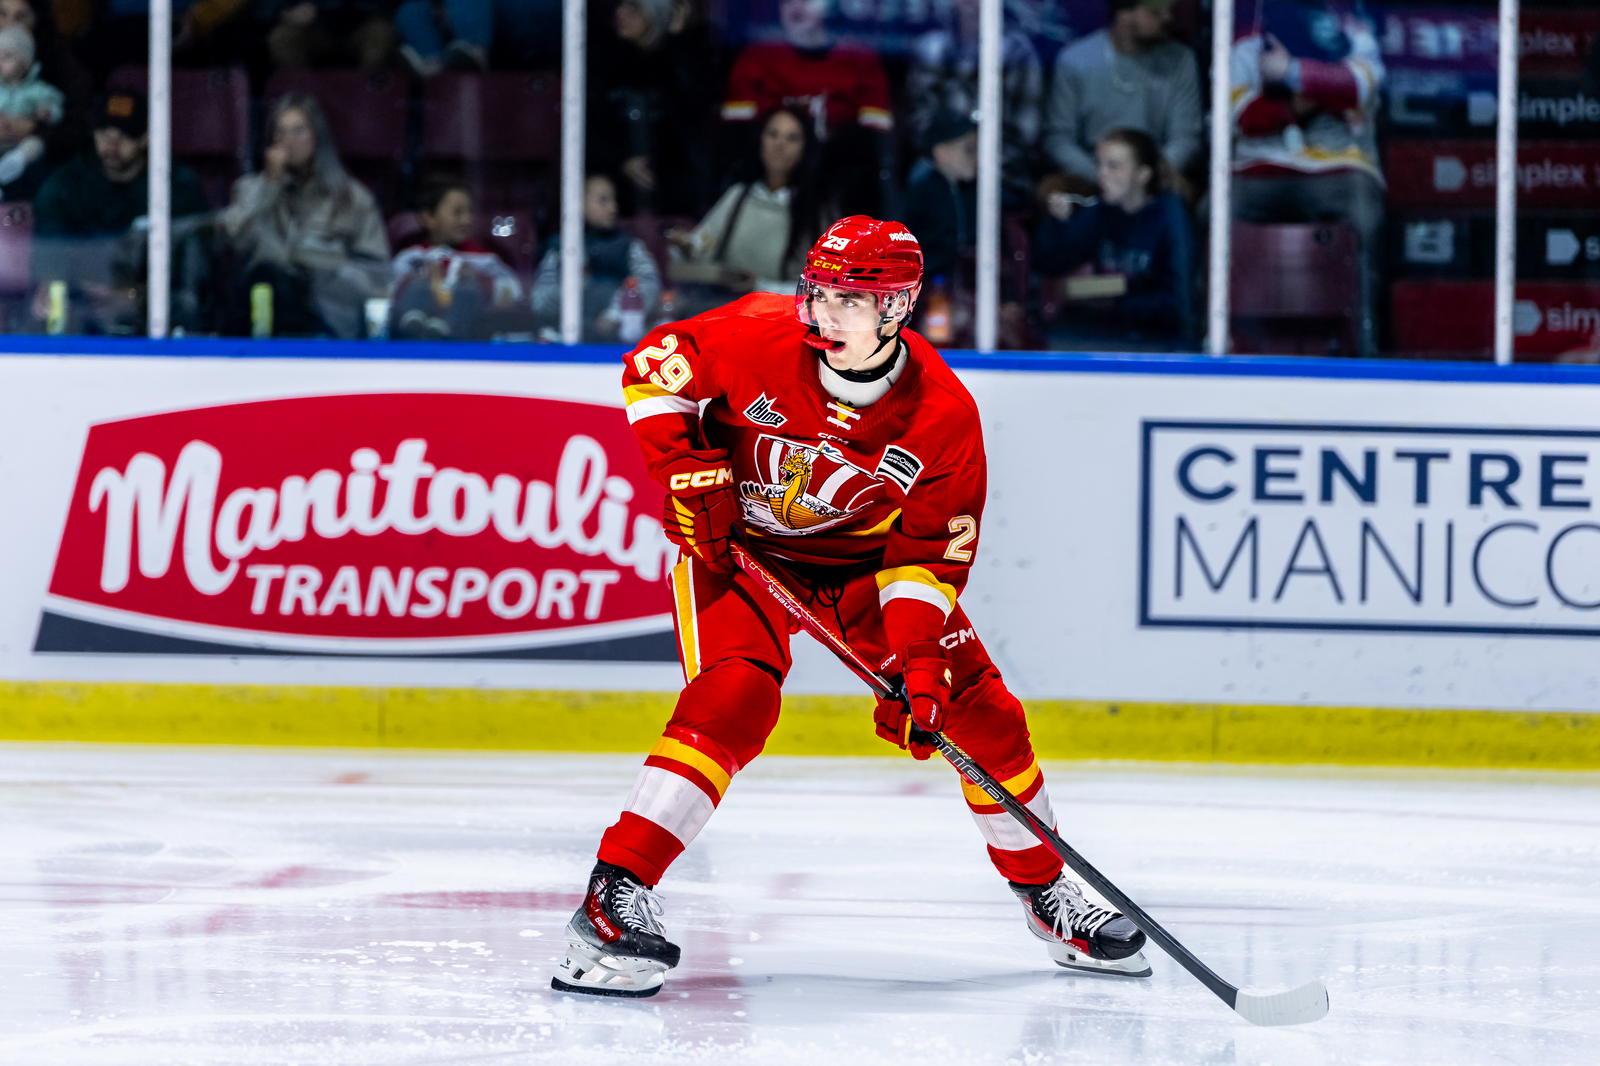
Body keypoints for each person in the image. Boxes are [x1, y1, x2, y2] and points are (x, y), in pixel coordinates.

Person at [550, 215, 1151, 999]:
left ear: (896, 309)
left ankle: (1047, 893)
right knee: (735, 696)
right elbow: (651, 370)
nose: (822, 313)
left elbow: (924, 560)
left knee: (981, 712)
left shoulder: (942, 415)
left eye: (847, 300)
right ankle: (613, 895)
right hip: (742, 551)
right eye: (819, 292)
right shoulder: (758, 334)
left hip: (862, 565)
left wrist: (922, 665)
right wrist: (689, 472)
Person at [1230, 0, 1385, 355]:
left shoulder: (1354, 29)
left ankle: (1366, 339)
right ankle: (1211, 333)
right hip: (1258, 169)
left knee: (1365, 208)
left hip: (1336, 168)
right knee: (1213, 210)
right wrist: (1317, 92)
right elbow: (1244, 118)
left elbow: (1361, 86)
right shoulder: (1246, 40)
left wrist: (1290, 72)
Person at [30, 90, 210, 333]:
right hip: (81, 303)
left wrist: (138, 293)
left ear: (146, 137)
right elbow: (51, 246)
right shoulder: (67, 183)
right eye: (104, 133)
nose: (111, 144)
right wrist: (53, 285)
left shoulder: (175, 185)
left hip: (152, 309)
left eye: (125, 134)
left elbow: (191, 268)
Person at [219, 92, 390, 338]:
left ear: (318, 138)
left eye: (298, 131)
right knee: (268, 276)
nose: (288, 141)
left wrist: (322, 269)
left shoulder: (351, 198)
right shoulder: (250, 189)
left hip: (330, 318)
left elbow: (377, 276)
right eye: (280, 132)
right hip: (264, 310)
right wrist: (269, 186)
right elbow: (233, 239)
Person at [720, 0, 894, 215]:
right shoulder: (755, 56)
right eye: (787, 1)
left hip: (837, 192)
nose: (796, 7)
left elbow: (875, 146)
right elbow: (734, 144)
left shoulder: (860, 58)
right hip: (766, 191)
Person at [1034, 127, 1193, 350]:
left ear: (1142, 175)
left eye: (1113, 166)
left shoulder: (1171, 217)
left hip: (1157, 343)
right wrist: (1058, 223)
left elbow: (1180, 302)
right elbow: (1049, 263)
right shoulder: (1100, 211)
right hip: (1107, 335)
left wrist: (1116, 303)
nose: (1102, 174)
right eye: (1100, 165)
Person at [664, 105, 826, 308]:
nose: (779, 144)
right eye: (772, 134)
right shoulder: (739, 196)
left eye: (792, 138)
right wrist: (686, 244)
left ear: (806, 148)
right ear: (761, 140)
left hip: (782, 317)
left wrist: (760, 286)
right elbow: (704, 246)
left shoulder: (816, 210)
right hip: (726, 308)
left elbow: (823, 288)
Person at [1043, 0, 1201, 191]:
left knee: (1181, 192)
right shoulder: (1075, 61)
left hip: (1155, 176)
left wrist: (1149, 176)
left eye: (1169, 11)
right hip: (1091, 175)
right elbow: (1059, 140)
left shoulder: (1181, 60)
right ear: (1124, 14)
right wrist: (1107, 177)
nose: (1168, 18)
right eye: (1156, 12)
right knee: (1052, 192)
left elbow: (1185, 137)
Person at [588, 0, 721, 218]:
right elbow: (590, 124)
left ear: (656, 12)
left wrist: (677, 41)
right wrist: (621, 160)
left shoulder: (684, 57)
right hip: (620, 187)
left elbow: (693, 114)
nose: (621, 13)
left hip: (676, 187)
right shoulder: (604, 60)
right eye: (619, 5)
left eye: (633, 7)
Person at [905, 0, 1042, 209]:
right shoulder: (931, 49)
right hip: (941, 164)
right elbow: (921, 121)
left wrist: (978, 159)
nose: (972, 3)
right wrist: (948, 155)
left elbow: (1025, 132)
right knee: (922, 184)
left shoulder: (1017, 52)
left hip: (1003, 171)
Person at [530, 172, 660, 342]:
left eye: (614, 200)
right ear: (579, 203)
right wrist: (572, 285)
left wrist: (614, 315)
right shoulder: (559, 248)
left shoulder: (629, 246)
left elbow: (648, 284)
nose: (613, 208)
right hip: (564, 338)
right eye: (603, 200)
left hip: (616, 340)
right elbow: (540, 302)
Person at [388, 177, 522, 339]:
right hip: (411, 346)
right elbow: (387, 291)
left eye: (470, 212)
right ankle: (413, 327)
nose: (467, 220)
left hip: (462, 343)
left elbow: (515, 292)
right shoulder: (411, 257)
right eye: (457, 213)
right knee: (419, 286)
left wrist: (482, 281)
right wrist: (409, 281)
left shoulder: (484, 260)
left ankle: (446, 327)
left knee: (467, 290)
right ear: (428, 217)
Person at [901, 109, 976, 287]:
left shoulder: (977, 193)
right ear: (941, 152)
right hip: (931, 287)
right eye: (969, 149)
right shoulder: (922, 193)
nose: (977, 158)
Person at [0, 23, 62, 199]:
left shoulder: (37, 89)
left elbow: (53, 103)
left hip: (21, 141)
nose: (0, 62)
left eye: (7, 57)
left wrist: (47, 113)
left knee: (36, 144)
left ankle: (15, 162)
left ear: (24, 61)